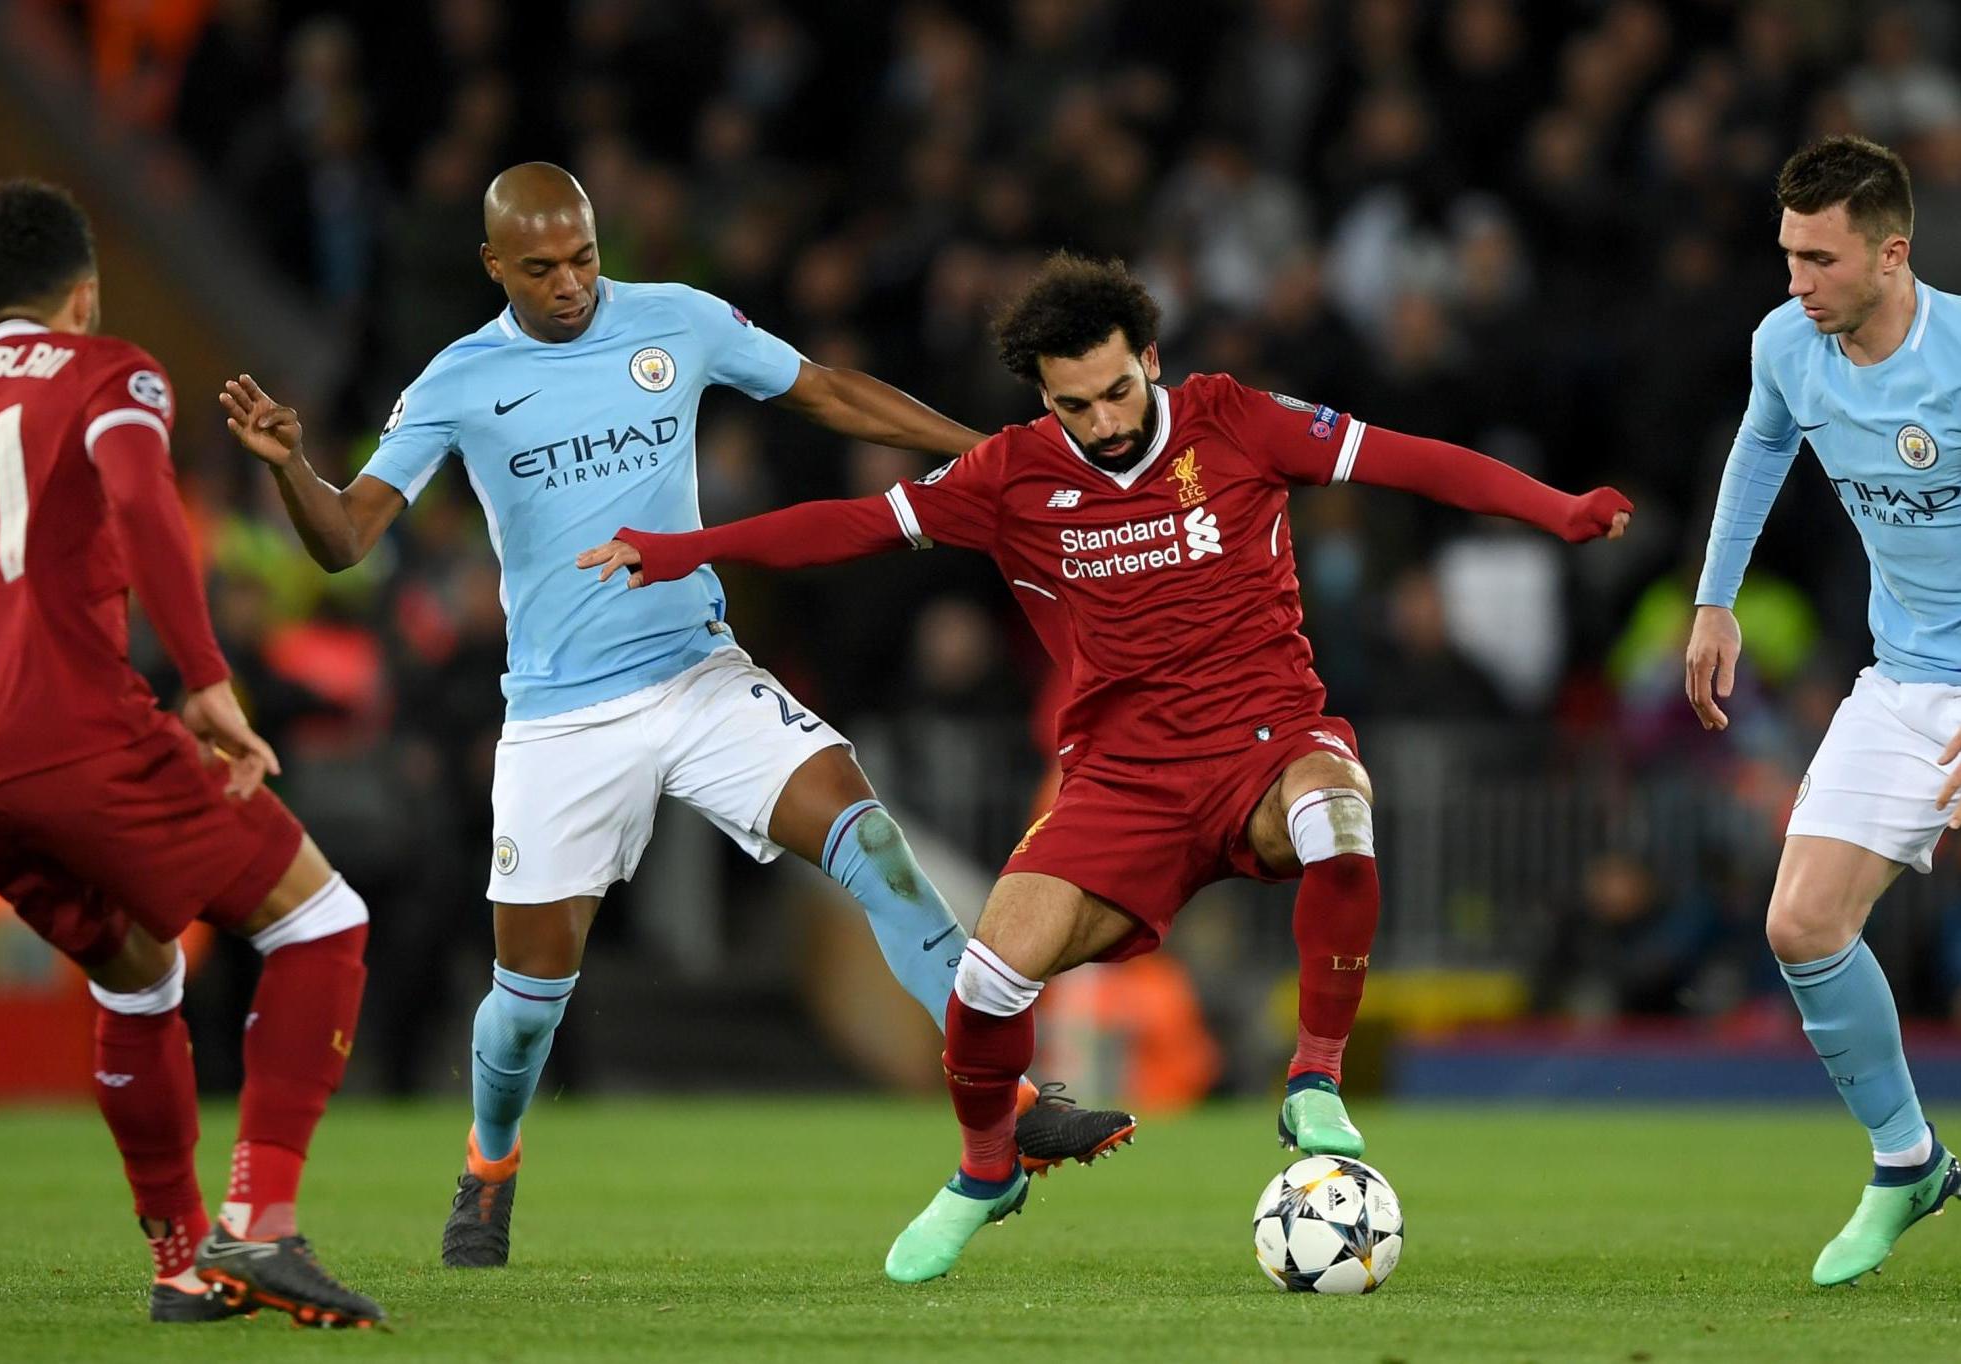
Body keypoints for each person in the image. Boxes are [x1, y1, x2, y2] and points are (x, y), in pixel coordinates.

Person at [577, 251, 1632, 1281]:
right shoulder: (1010, 474)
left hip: (1266, 746)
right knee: (987, 981)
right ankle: (987, 1168)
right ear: (1043, 396)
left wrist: (1558, 507)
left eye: (1119, 390)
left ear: (1153, 358)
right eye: (1075, 404)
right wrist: (683, 550)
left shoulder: (1236, 417)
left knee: (1337, 818)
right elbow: (849, 526)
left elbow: (1418, 460)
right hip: (1122, 782)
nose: (1106, 420)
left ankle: (1313, 1076)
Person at [219, 162, 1132, 1270]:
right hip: (562, 719)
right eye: (543, 268)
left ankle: (1015, 1096)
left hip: (699, 671)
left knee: (868, 837)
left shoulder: (678, 322)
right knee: (525, 1006)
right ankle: (490, 1160)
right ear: (494, 266)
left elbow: (829, 389)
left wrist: (985, 457)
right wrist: (289, 472)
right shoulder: (459, 379)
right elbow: (347, 536)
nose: (571, 285)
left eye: (586, 259)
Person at [0, 181, 382, 1327]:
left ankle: (182, 1265)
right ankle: (258, 1225)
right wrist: (209, 679)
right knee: (320, 919)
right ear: (83, 295)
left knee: (141, 971)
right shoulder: (108, 370)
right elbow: (137, 495)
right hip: (74, 730)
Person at [1687, 134, 1961, 1287]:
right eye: (1788, 254)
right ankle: (1908, 1161)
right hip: (1903, 679)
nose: (1796, 282)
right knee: (1800, 923)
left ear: (1892, 254)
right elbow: (1760, 446)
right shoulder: (1788, 344)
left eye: (1819, 259)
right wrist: (1715, 601)